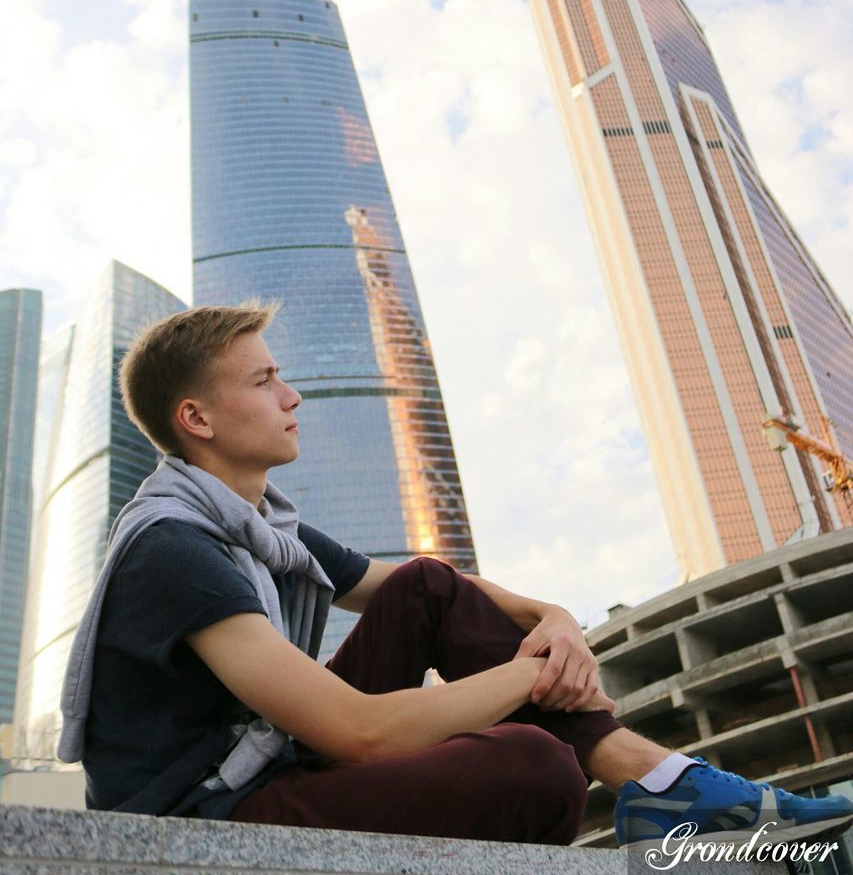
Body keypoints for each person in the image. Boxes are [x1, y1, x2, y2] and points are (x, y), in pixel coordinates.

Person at [58, 302, 853, 849]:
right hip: (209, 817)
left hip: (268, 763)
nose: (292, 395)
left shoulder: (256, 525)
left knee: (426, 585)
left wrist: (554, 616)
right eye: (263, 381)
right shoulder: (174, 548)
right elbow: (356, 732)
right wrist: (531, 673)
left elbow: (411, 584)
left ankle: (657, 779)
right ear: (196, 419)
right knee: (534, 765)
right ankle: (663, 784)